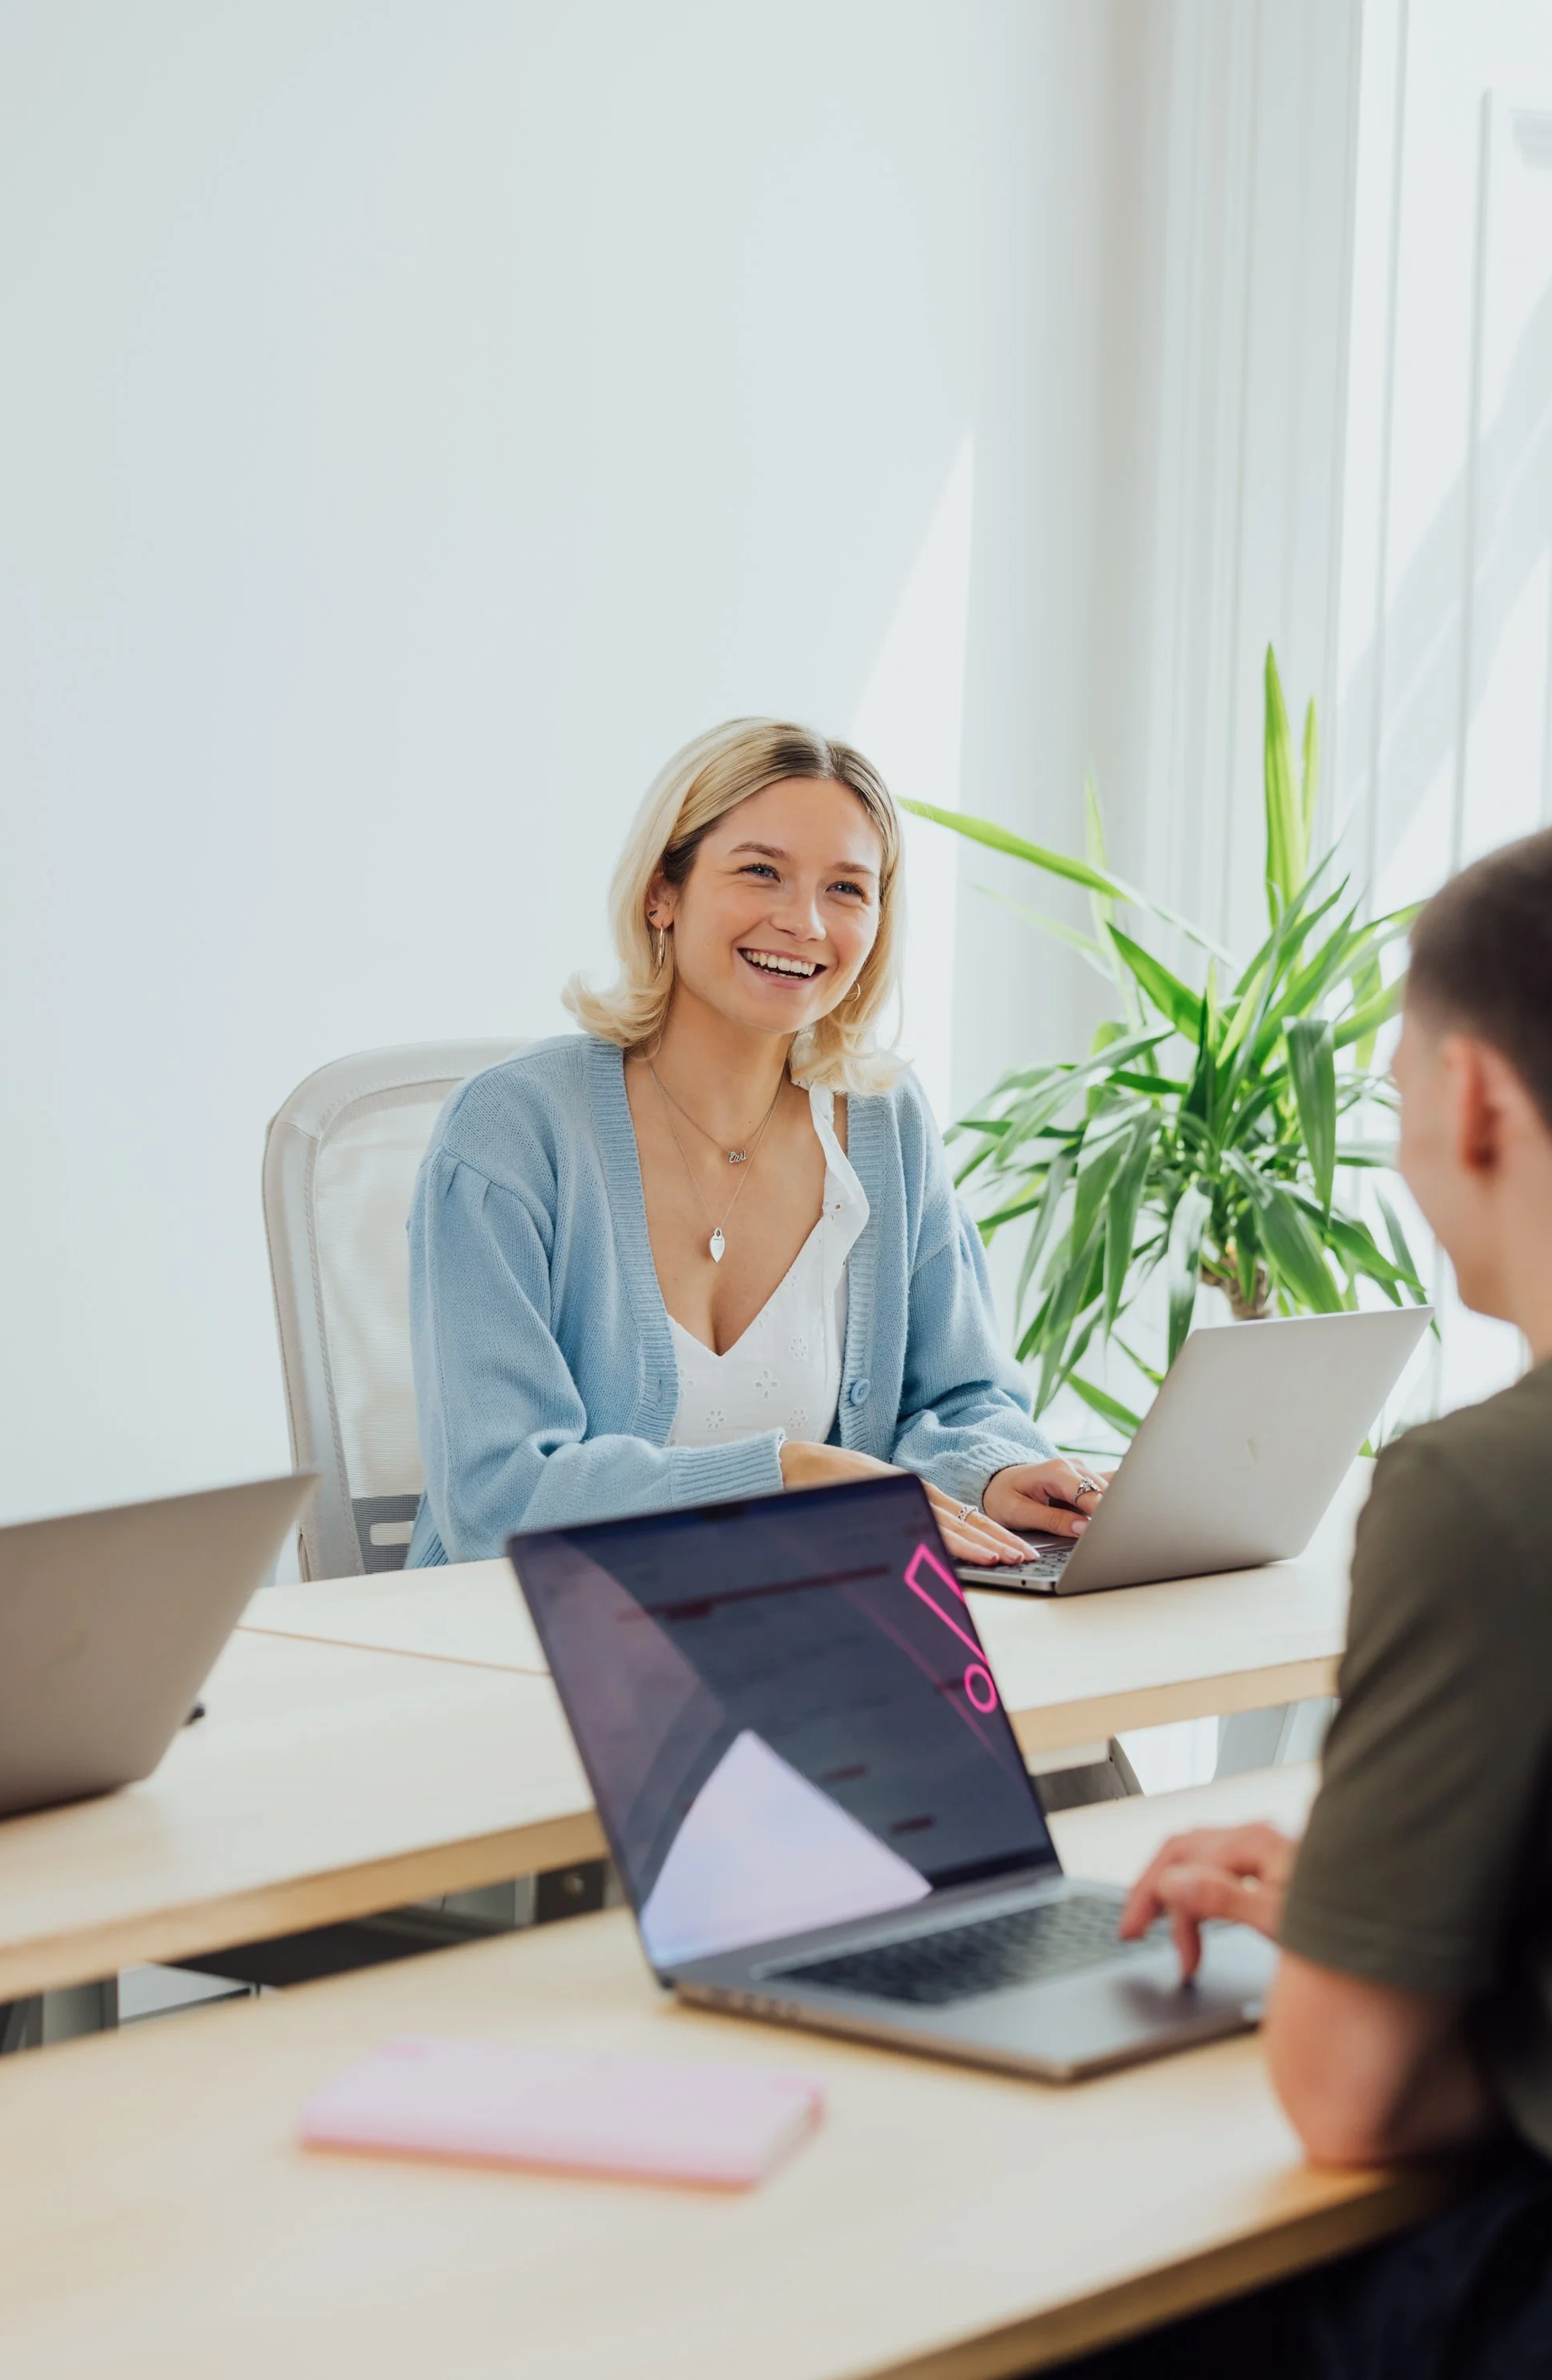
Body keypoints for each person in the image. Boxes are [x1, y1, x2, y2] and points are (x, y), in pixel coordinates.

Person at [1070, 827, 1552, 2378]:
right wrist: (1381, 1912)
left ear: (1471, 1095)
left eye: (1397, 1076)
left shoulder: (1478, 1493)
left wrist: (1387, 1983)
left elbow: (1352, 2096)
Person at [405, 717, 1102, 1569]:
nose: (804, 921)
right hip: (517, 1648)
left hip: (792, 1628)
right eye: (761, 871)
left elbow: (960, 1396)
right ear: (664, 890)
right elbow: (498, 1498)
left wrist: (991, 1474)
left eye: (847, 889)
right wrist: (778, 1478)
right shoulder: (510, 1132)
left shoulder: (884, 1123)